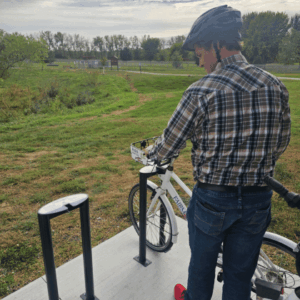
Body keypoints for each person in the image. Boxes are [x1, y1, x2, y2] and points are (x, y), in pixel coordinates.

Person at [147, 4, 291, 300]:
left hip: (213, 199)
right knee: (240, 275)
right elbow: (281, 143)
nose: (200, 63)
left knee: (201, 269)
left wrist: (152, 153)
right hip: (258, 197)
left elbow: (169, 145)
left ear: (216, 46)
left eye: (200, 54)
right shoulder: (275, 85)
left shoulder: (202, 90)